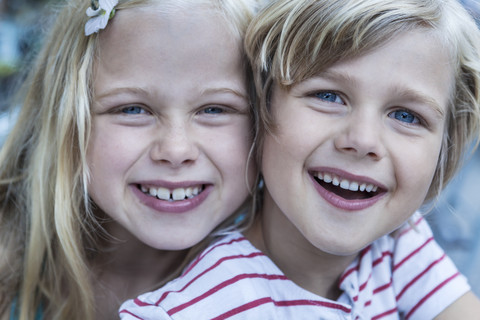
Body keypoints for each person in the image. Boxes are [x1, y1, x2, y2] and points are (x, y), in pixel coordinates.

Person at [119, 0, 480, 319]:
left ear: (446, 147)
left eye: (405, 116)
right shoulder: (192, 309)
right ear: (263, 104)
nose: (362, 141)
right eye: (328, 95)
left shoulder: (399, 242)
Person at [0, 0, 263, 318]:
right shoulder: (8, 261)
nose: (176, 150)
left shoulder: (281, 291)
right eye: (132, 109)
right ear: (66, 119)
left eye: (215, 109)